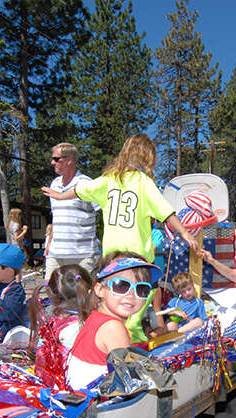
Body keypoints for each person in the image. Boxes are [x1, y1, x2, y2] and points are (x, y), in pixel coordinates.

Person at [42, 134, 198, 342]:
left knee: (113, 295)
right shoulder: (142, 182)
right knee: (146, 290)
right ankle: (130, 331)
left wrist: (61, 196)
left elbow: (81, 190)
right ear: (145, 157)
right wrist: (185, 233)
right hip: (135, 255)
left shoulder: (108, 180)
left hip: (113, 256)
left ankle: (113, 330)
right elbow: (165, 212)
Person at [66, 253, 161, 390]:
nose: (131, 295)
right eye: (121, 286)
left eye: (141, 289)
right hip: (96, 403)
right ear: (99, 290)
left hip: (80, 394)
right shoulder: (114, 327)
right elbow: (128, 380)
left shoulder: (95, 316)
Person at [31, 264, 96, 390]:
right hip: (71, 395)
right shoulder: (84, 327)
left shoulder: (49, 324)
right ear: (90, 292)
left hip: (44, 389)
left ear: (51, 294)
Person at [42, 142, 96, 282]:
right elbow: (56, 218)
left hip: (82, 255)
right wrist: (49, 244)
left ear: (69, 160)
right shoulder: (54, 184)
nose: (52, 162)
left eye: (56, 159)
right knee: (50, 295)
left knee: (82, 298)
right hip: (56, 254)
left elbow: (104, 210)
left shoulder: (86, 183)